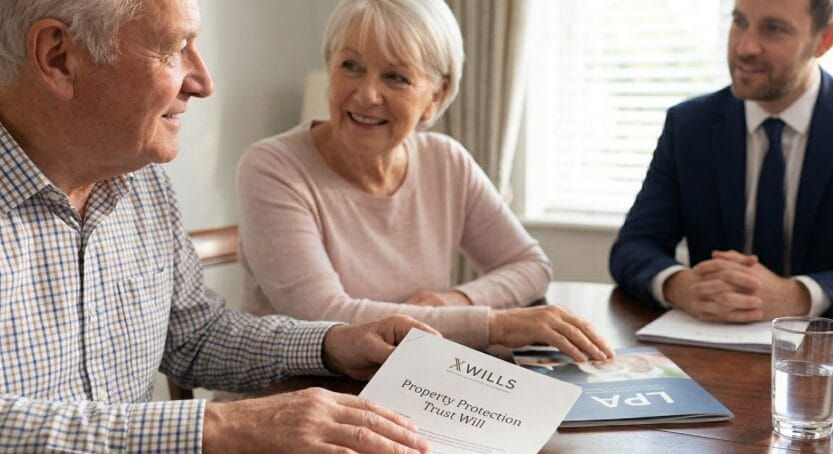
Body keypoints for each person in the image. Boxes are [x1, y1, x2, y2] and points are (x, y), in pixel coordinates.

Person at [0, 0, 434, 454]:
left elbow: (193, 333)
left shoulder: (138, 179)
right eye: (174, 48)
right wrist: (219, 431)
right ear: (58, 57)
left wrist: (331, 345)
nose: (202, 81)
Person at [236, 0, 614, 363]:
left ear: (437, 94)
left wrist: (457, 301)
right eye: (350, 66)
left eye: (395, 77)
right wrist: (492, 324)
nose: (367, 94)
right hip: (291, 399)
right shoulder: (272, 168)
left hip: (412, 381)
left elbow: (530, 265)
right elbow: (327, 317)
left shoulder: (445, 160)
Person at [609, 0, 833, 323]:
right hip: (709, 353)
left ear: (824, 40)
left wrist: (797, 295)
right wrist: (680, 286)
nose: (745, 47)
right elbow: (634, 246)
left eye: (774, 29)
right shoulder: (689, 125)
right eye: (739, 22)